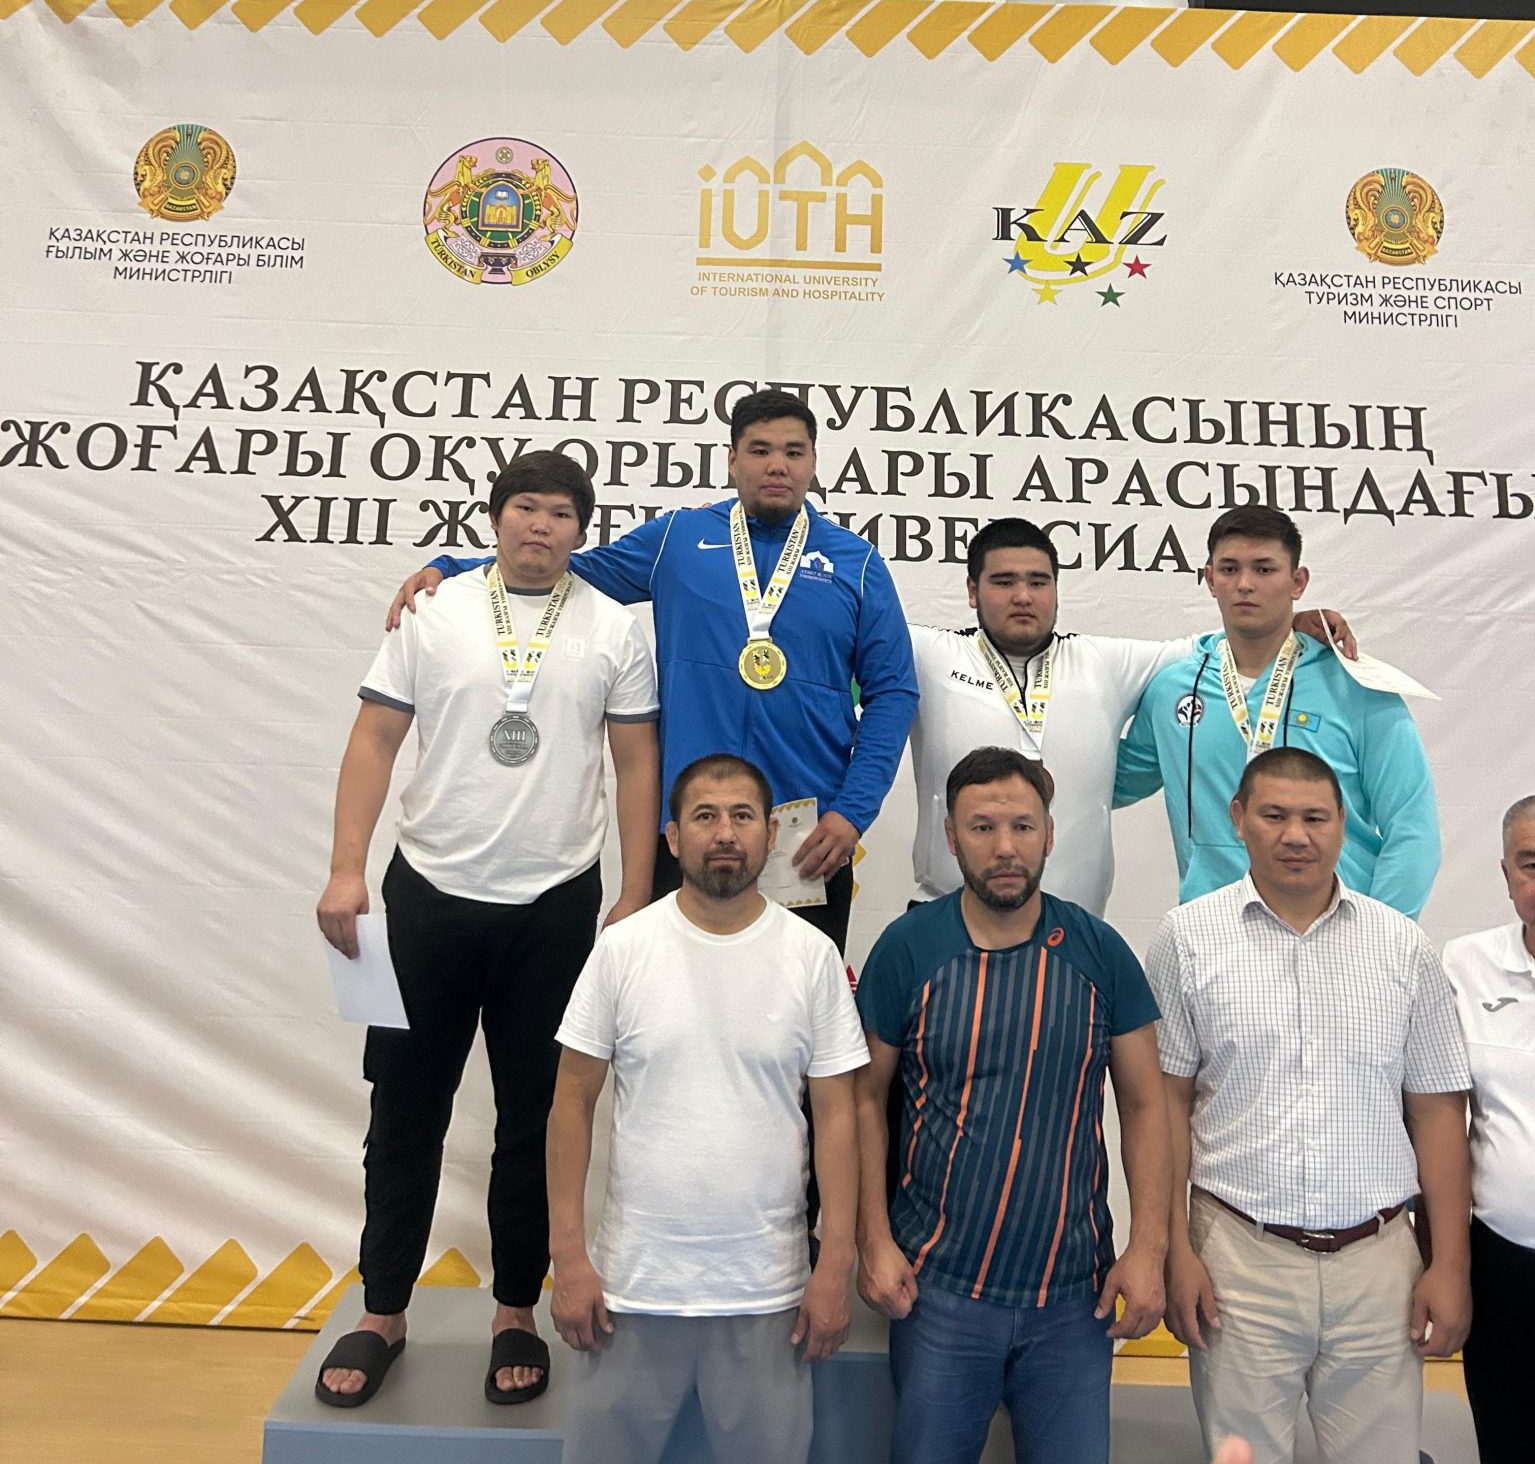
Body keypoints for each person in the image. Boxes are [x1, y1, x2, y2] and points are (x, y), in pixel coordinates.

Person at [312, 453, 660, 1410]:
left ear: (582, 531)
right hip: (428, 895)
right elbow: (375, 737)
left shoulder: (614, 628)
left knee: (536, 1120)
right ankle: (383, 1310)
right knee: (404, 1113)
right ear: (495, 518)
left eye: (560, 514)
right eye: (524, 508)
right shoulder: (434, 611)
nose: (540, 526)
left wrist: (635, 890)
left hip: (555, 905)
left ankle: (516, 1308)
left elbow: (637, 762)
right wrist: (346, 868)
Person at [388, 388, 918, 952]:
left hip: (807, 835)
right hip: (688, 827)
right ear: (732, 460)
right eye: (760, 450)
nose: (777, 465)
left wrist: (851, 813)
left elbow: (893, 691)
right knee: (675, 999)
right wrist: (453, 568)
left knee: (797, 999)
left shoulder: (857, 563)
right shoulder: (679, 539)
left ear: (813, 463)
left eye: (794, 451)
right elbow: (572, 571)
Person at [1147, 746, 1472, 1464]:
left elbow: (1439, 1113)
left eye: (1315, 818)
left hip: (1380, 1265)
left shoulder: (1403, 946)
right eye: (1274, 815)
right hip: (1236, 1257)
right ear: (1238, 819)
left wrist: (1450, 1265)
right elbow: (1163, 1106)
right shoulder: (1187, 939)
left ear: (1342, 824)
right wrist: (1173, 1250)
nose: (1296, 835)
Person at [853, 746, 1172, 1464]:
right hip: (937, 1292)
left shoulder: (1100, 953)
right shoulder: (908, 949)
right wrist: (872, 1240)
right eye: (983, 827)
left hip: (1074, 1298)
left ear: (1050, 835)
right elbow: (863, 1101)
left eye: (1023, 827)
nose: (1005, 847)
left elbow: (1147, 1106)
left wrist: (1148, 1249)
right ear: (950, 836)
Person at [545, 753, 867, 1464]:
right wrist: (567, 1257)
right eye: (705, 816)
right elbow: (571, 1101)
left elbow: (839, 1118)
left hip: (768, 1294)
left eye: (742, 816)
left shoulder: (812, 957)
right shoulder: (622, 950)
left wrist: (835, 1263)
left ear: (771, 835)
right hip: (631, 1291)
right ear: (671, 837)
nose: (725, 832)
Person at [910, 517, 1354, 914]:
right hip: (944, 914)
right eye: (1004, 582)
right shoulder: (930, 655)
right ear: (973, 591)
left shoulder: (1101, 662)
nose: (1023, 596)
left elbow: (1214, 646)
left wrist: (1291, 622)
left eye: (1039, 582)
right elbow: (869, 629)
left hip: (1075, 929)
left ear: (1057, 590)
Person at [1115, 505, 1440, 913]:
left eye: (1264, 569)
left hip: (1337, 925)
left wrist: (1384, 932)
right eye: (1229, 569)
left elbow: (1412, 825)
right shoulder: (1173, 689)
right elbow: (1106, 786)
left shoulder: (1355, 687)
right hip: (1215, 928)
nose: (1245, 584)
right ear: (1210, 579)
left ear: (1297, 581)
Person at [1442, 792, 1535, 1464]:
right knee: (1508, 1441)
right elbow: (1438, 1119)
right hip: (1502, 1263)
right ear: (1505, 874)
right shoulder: (1465, 965)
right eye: (1532, 863)